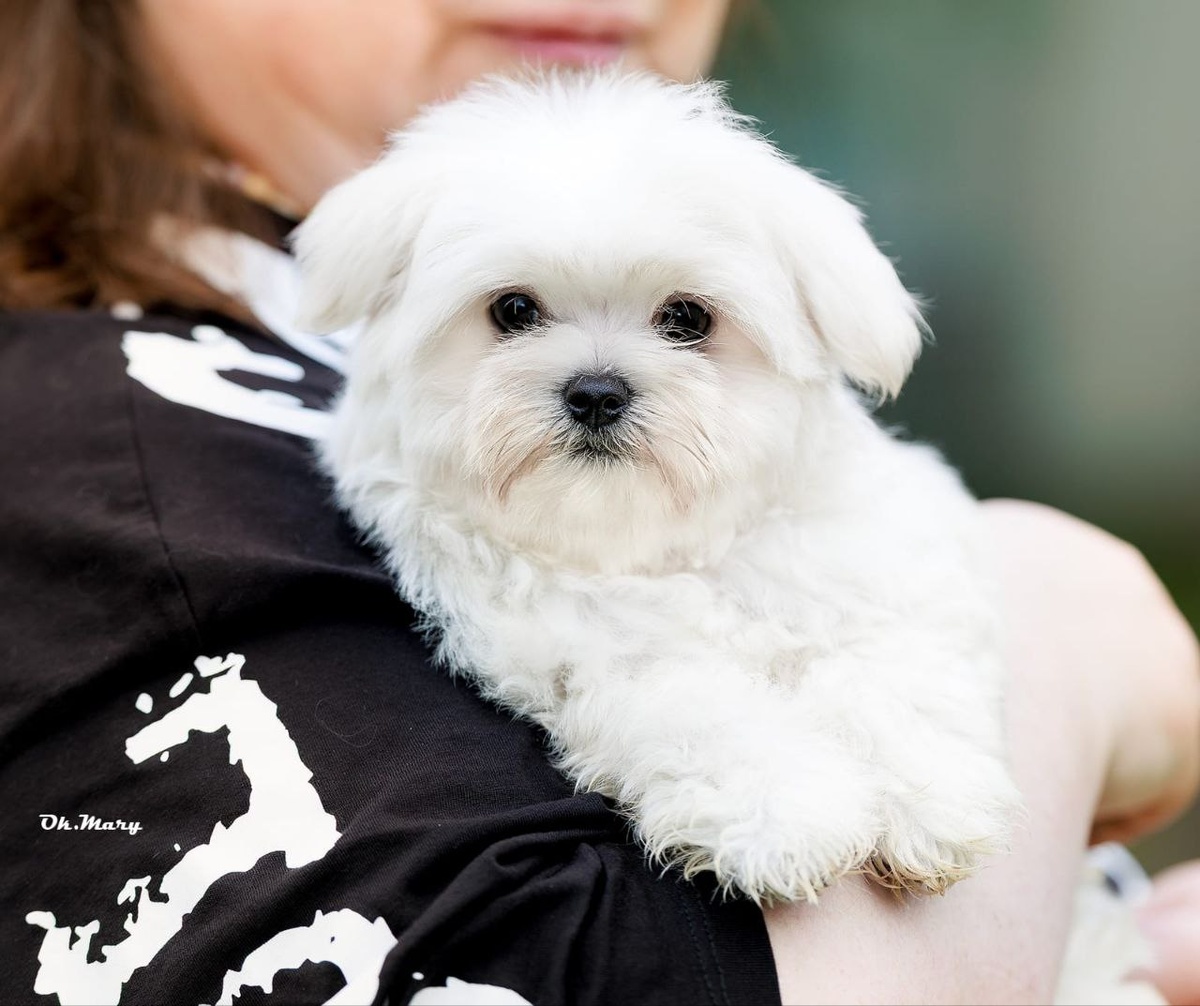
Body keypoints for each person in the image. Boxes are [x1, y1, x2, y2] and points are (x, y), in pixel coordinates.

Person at [0, 1, 1196, 1003]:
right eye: (516, 313)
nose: (598, 379)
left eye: (685, 321)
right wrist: (1062, 639)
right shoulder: (105, 468)